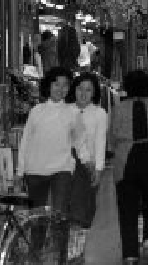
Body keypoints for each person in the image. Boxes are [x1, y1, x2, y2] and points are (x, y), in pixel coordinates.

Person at [109, 70, 148, 264]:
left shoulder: (119, 108)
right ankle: (147, 240)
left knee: (127, 208)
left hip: (126, 162)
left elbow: (112, 137)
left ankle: (130, 253)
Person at [16, 67, 78, 215]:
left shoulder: (74, 112)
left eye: (65, 85)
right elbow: (25, 142)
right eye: (56, 84)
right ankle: (37, 239)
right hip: (35, 170)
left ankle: (59, 239)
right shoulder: (36, 111)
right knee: (37, 219)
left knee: (59, 216)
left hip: (62, 170)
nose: (60, 89)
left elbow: (81, 143)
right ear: (48, 86)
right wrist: (20, 172)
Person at [66, 72, 108, 229]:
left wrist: (98, 169)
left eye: (88, 90)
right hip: (65, 165)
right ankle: (66, 249)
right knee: (66, 210)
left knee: (85, 211)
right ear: (74, 90)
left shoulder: (99, 113)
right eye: (80, 89)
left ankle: (78, 248)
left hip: (88, 167)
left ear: (94, 92)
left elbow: (100, 142)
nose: (83, 93)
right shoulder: (65, 110)